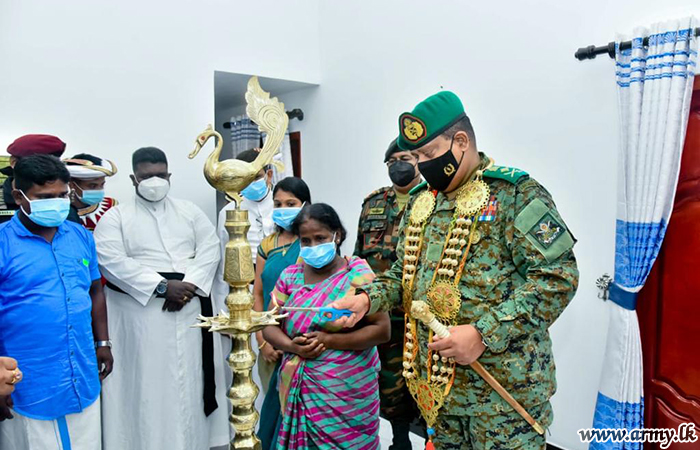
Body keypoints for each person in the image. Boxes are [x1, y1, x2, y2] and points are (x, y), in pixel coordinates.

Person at [332, 91, 579, 449]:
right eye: (417, 157)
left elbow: (558, 278)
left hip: (502, 396)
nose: (422, 165)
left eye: (429, 153)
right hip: (438, 393)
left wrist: (483, 333)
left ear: (461, 142)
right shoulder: (422, 201)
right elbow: (404, 273)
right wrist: (368, 299)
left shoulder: (515, 195)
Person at [93, 147, 228, 450]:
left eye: (160, 175)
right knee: (147, 387)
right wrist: (162, 287)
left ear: (169, 176)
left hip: (190, 308)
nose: (154, 181)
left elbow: (210, 249)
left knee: (190, 383)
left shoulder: (190, 211)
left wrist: (188, 285)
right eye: (146, 176)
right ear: (133, 179)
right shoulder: (115, 218)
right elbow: (111, 261)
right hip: (139, 317)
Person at [0, 154, 112, 450]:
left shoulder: (79, 235)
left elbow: (95, 291)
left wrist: (103, 343)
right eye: (45, 197)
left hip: (82, 372)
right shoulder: (3, 243)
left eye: (62, 195)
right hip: (28, 381)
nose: (57, 203)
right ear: (19, 197)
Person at [263, 203, 391, 450]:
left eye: (320, 238)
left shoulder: (357, 274)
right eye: (306, 241)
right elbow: (268, 325)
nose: (313, 246)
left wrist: (330, 341)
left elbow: (382, 329)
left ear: (337, 235)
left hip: (350, 393)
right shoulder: (290, 276)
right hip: (302, 389)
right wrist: (292, 346)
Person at [354, 139, 422, 449]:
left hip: (419, 313)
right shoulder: (373, 203)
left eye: (404, 158)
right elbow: (358, 257)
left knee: (422, 379)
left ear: (419, 160)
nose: (398, 165)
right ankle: (399, 440)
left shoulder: (432, 199)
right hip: (379, 311)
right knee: (387, 381)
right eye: (392, 161)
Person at [253, 177, 311, 450]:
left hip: (302, 343)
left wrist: (292, 343)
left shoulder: (313, 245)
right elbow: (257, 294)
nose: (283, 209)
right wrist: (262, 341)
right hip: (270, 343)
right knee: (272, 411)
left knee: (301, 415)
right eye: (277, 204)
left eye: (291, 203)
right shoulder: (267, 245)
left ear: (305, 205)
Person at [0, 134, 80, 224]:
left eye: (53, 163)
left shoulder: (65, 207)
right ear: (14, 162)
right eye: (37, 164)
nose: (48, 170)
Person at [65, 153, 118, 231]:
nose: (99, 189)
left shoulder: (111, 206)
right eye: (92, 186)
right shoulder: (61, 211)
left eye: (102, 185)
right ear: (72, 185)